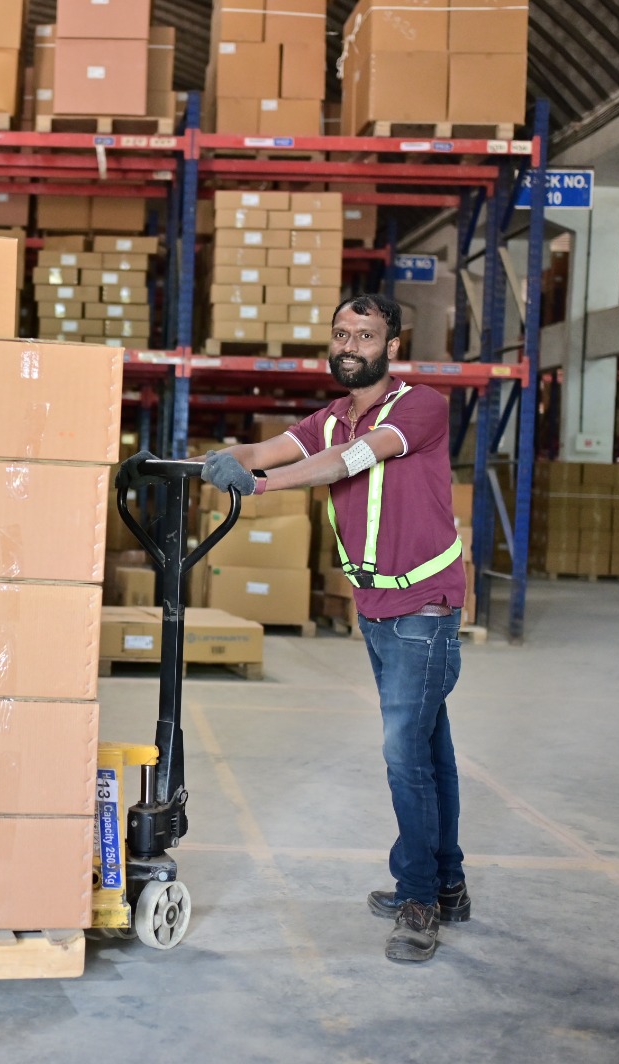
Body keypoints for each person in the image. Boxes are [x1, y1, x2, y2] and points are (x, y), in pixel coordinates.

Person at [198, 293, 470, 963]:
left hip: (423, 609)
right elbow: (265, 448)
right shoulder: (331, 417)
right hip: (377, 608)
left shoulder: (420, 407)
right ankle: (448, 883)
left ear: (392, 347)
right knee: (428, 747)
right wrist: (212, 462)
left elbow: (351, 460)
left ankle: (419, 898)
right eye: (342, 334)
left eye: (366, 335)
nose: (350, 346)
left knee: (405, 755)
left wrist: (261, 487)